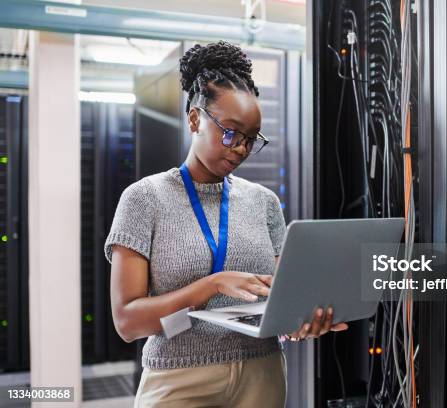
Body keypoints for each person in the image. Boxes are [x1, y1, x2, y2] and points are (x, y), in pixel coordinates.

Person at [104, 41, 348, 408]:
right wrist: (213, 284)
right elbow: (127, 322)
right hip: (178, 379)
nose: (240, 149)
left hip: (261, 374)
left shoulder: (263, 202)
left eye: (251, 139)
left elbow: (282, 300)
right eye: (231, 132)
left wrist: (302, 320)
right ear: (194, 119)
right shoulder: (144, 198)